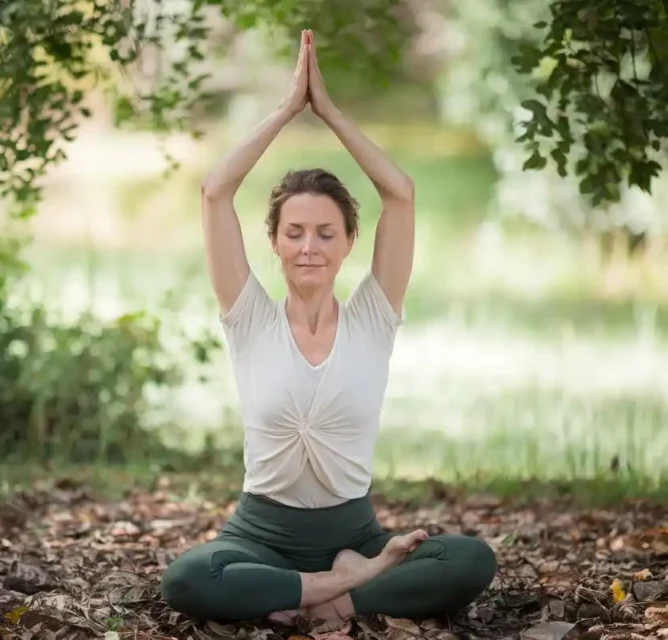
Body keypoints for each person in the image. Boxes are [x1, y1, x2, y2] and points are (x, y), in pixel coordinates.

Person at [160, 29, 497, 626]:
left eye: (324, 233)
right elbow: (215, 193)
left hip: (354, 533)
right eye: (294, 233)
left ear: (348, 244)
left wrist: (331, 113)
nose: (308, 247)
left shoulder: (374, 315)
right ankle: (343, 591)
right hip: (259, 534)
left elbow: (401, 193)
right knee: (188, 577)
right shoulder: (249, 316)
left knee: (470, 560)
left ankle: (322, 594)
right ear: (274, 243)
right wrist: (288, 109)